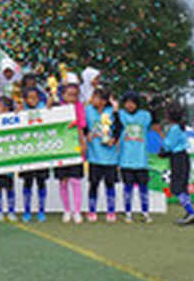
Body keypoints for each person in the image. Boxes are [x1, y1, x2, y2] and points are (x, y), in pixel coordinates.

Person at [158, 101, 194, 226]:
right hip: (182, 157)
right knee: (182, 187)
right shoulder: (179, 127)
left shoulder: (174, 128)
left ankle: (191, 212)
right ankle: (190, 212)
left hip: (178, 159)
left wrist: (162, 149)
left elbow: (167, 145)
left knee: (178, 188)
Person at [115, 92, 153, 224]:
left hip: (141, 160)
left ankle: (145, 212)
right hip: (126, 160)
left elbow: (155, 117)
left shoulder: (145, 116)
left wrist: (150, 101)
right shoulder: (120, 115)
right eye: (127, 102)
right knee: (127, 188)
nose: (129, 105)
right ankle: (128, 212)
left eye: (132, 102)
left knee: (143, 188)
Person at [84, 88, 120, 222]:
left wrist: (114, 139)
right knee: (93, 184)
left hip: (110, 157)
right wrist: (86, 132)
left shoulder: (112, 112)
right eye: (93, 97)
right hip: (94, 155)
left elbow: (119, 127)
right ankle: (91, 211)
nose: (93, 99)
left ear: (104, 101)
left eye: (96, 98)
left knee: (110, 184)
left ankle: (111, 211)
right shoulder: (88, 110)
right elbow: (82, 124)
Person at [54, 78, 86, 224]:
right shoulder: (57, 107)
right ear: (63, 95)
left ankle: (77, 211)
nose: (72, 98)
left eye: (75, 95)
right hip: (61, 147)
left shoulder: (79, 107)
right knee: (63, 181)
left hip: (74, 146)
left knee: (76, 180)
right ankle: (66, 210)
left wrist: (82, 143)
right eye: (69, 95)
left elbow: (80, 127)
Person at [19, 86, 50, 223]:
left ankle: (41, 210)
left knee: (41, 182)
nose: (33, 100)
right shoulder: (21, 110)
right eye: (30, 98)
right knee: (27, 182)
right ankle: (27, 210)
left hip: (41, 152)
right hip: (27, 153)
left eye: (35, 98)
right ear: (25, 99)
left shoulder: (44, 109)